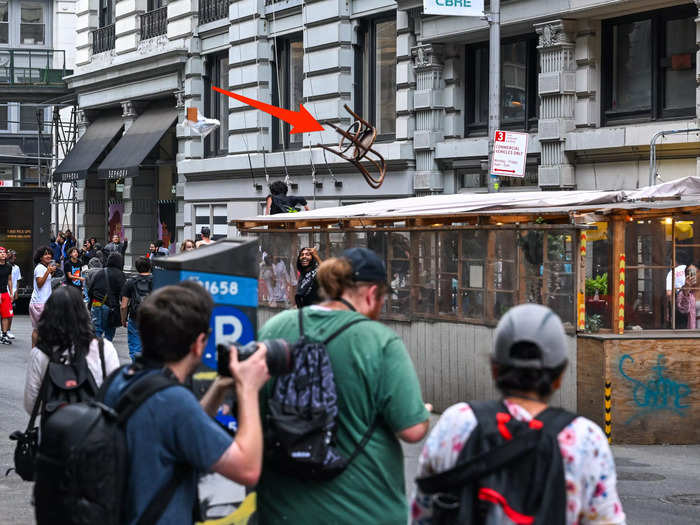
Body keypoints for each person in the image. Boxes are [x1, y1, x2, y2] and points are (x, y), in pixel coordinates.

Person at [256, 248, 431, 525]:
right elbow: (412, 430)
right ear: (372, 294)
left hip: (282, 511)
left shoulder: (276, 328)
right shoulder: (379, 340)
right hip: (363, 511)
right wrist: (420, 410)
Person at [412, 303, 625, 525]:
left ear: (495, 369)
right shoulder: (586, 440)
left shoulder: (456, 423)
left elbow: (422, 513)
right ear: (559, 376)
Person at [102, 281, 270, 524]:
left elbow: (176, 431)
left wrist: (218, 389)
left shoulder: (121, 380)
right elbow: (247, 468)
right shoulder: (173, 401)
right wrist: (249, 388)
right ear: (199, 344)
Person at [23, 285, 120, 414]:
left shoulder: (40, 353)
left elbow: (32, 406)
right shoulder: (104, 349)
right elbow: (115, 396)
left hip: (55, 429)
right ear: (84, 313)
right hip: (96, 427)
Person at [120, 256, 153, 361]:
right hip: (153, 318)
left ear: (137, 267)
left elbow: (124, 305)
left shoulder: (130, 282)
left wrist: (123, 320)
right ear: (150, 266)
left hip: (135, 317)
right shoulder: (157, 280)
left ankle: (137, 369)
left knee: (135, 347)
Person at [87, 252, 126, 341]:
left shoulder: (100, 272)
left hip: (96, 303)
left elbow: (91, 290)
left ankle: (97, 350)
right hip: (111, 306)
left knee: (97, 331)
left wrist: (90, 305)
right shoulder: (120, 274)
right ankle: (106, 349)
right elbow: (123, 294)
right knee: (109, 332)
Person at [29, 246, 55, 330]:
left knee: (39, 329)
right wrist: (48, 272)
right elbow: (40, 284)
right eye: (45, 254)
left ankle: (36, 344)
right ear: (40, 257)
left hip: (43, 302)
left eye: (50, 254)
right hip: (40, 303)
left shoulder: (44, 267)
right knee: (41, 329)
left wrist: (50, 272)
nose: (48, 256)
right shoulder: (40, 268)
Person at [677, 263, 698, 328]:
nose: (691, 275)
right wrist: (686, 290)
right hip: (691, 331)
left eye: (693, 272)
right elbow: (683, 310)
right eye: (688, 273)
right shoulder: (683, 292)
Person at [0, 247, 14, 345]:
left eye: (4, 252)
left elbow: (9, 280)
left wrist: (11, 292)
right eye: (0, 252)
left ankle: (4, 335)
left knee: (6, 315)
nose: (3, 254)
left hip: (5, 293)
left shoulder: (9, 266)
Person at [7, 249, 20, 340]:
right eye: (12, 255)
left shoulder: (17, 268)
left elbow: (17, 281)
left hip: (12, 293)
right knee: (3, 313)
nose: (14, 257)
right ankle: (3, 330)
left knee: (10, 313)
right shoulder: (4, 266)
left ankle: (8, 330)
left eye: (15, 256)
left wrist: (16, 292)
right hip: (3, 291)